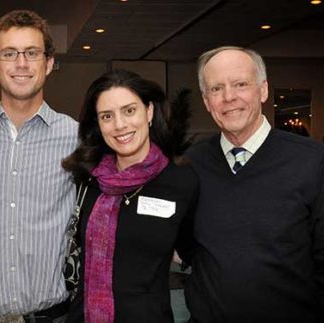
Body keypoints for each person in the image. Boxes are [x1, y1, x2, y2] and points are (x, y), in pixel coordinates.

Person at [185, 46, 324, 322]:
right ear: (206, 100)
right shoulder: (190, 164)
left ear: (263, 90)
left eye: (240, 84)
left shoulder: (313, 162)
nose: (229, 97)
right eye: (216, 89)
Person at [0, 10, 78, 322]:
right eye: (10, 53)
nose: (21, 64)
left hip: (53, 316)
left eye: (32, 53)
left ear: (49, 63)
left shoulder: (77, 138)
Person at [62, 70, 198, 322]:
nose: (120, 125)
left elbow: (195, 254)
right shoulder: (88, 178)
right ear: (98, 124)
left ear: (149, 112)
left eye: (129, 110)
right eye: (107, 116)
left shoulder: (182, 181)